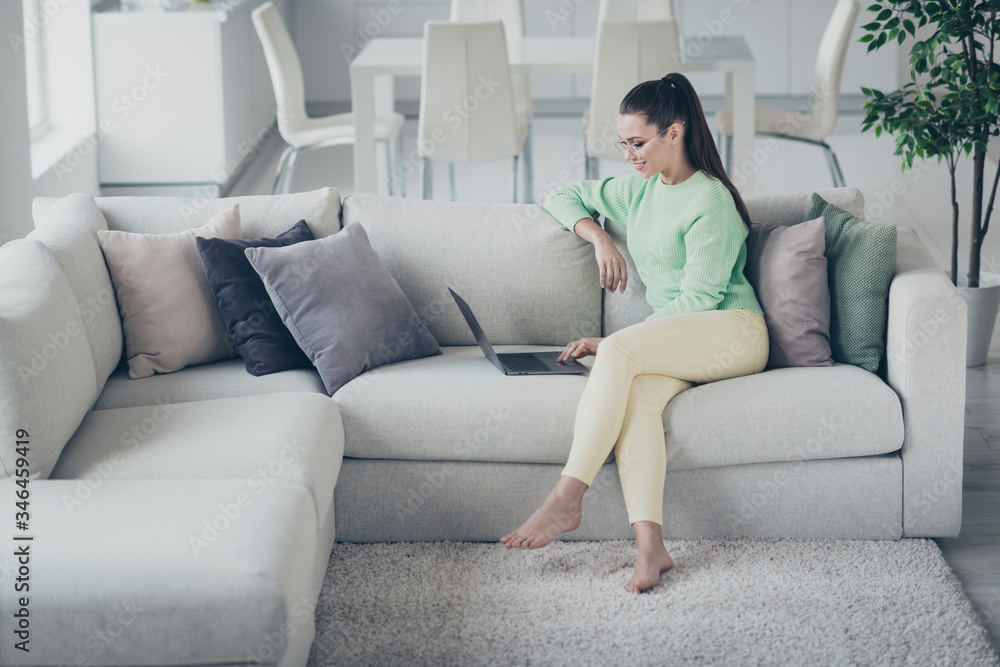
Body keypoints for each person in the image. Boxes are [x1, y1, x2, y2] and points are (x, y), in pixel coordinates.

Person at [500, 73, 769, 594]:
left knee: (618, 353)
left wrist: (613, 342)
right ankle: (652, 547)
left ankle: (566, 497)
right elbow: (562, 196)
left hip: (733, 332)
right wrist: (600, 236)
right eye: (622, 143)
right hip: (683, 339)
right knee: (639, 404)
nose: (629, 155)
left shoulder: (709, 201)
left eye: (638, 143)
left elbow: (700, 301)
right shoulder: (638, 191)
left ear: (675, 132)